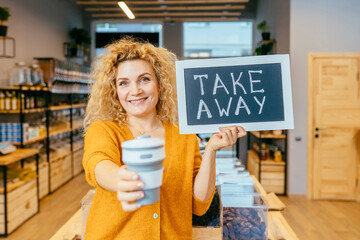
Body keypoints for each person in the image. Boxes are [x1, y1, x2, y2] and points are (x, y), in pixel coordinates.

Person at [82, 37, 246, 240]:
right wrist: (122, 180)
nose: (135, 91)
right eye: (124, 83)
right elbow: (98, 164)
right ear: (115, 91)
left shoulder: (184, 135)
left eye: (144, 79)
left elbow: (200, 204)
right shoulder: (103, 130)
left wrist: (211, 149)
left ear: (160, 83)